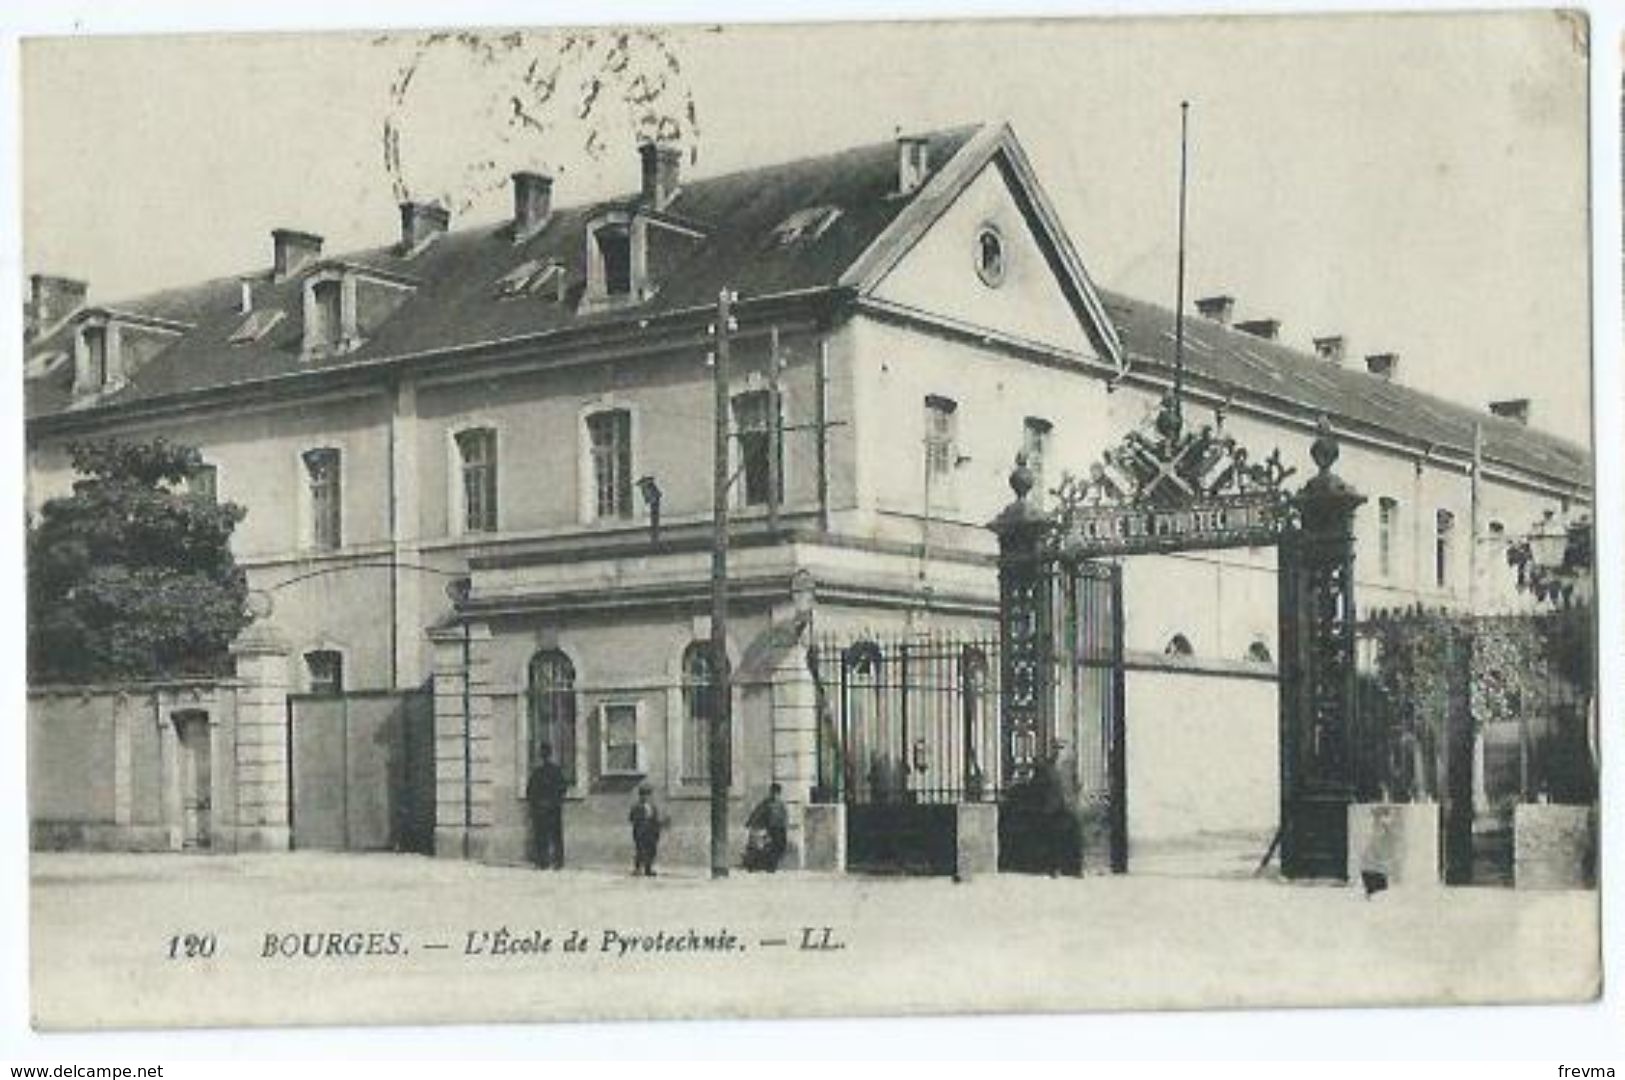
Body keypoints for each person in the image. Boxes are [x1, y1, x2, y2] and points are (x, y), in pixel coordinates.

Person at [524, 745, 568, 870]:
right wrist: (554, 802)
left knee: (544, 837)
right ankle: (556, 862)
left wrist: (538, 804)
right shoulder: (554, 771)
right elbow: (562, 789)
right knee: (554, 836)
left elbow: (530, 792)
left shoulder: (538, 772)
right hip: (551, 809)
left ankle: (545, 862)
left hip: (545, 809)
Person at [744, 782, 789, 872]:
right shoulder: (766, 803)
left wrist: (785, 827)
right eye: (773, 792)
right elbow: (757, 812)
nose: (774, 795)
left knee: (780, 847)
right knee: (769, 847)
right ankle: (770, 866)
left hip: (780, 829)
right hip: (770, 828)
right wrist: (749, 822)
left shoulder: (781, 804)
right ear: (771, 792)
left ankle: (771, 865)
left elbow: (785, 816)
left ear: (779, 793)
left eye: (776, 793)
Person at [628, 782, 667, 877]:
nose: (646, 797)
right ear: (640, 796)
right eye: (644, 794)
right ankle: (637, 869)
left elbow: (655, 819)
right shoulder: (636, 806)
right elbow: (631, 818)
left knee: (651, 850)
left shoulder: (653, 807)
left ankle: (648, 869)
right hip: (640, 832)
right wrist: (640, 824)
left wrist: (661, 824)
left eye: (648, 794)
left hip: (651, 832)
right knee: (640, 850)